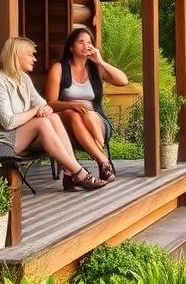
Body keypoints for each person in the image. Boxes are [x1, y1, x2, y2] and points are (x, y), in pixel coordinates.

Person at [0, 36, 107, 191]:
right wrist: (35, 111)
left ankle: (69, 173)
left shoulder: (23, 79)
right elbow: (9, 122)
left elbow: (43, 104)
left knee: (51, 116)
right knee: (42, 122)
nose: (34, 59)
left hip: (18, 136)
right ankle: (79, 173)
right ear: (17, 55)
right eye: (31, 55)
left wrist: (46, 109)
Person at [43, 27, 128, 183]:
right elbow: (51, 103)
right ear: (71, 47)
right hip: (68, 121)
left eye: (89, 42)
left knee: (87, 114)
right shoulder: (59, 68)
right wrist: (72, 105)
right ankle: (103, 161)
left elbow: (123, 81)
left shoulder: (95, 68)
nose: (86, 45)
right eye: (80, 42)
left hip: (96, 121)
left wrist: (100, 61)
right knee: (73, 113)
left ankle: (99, 159)